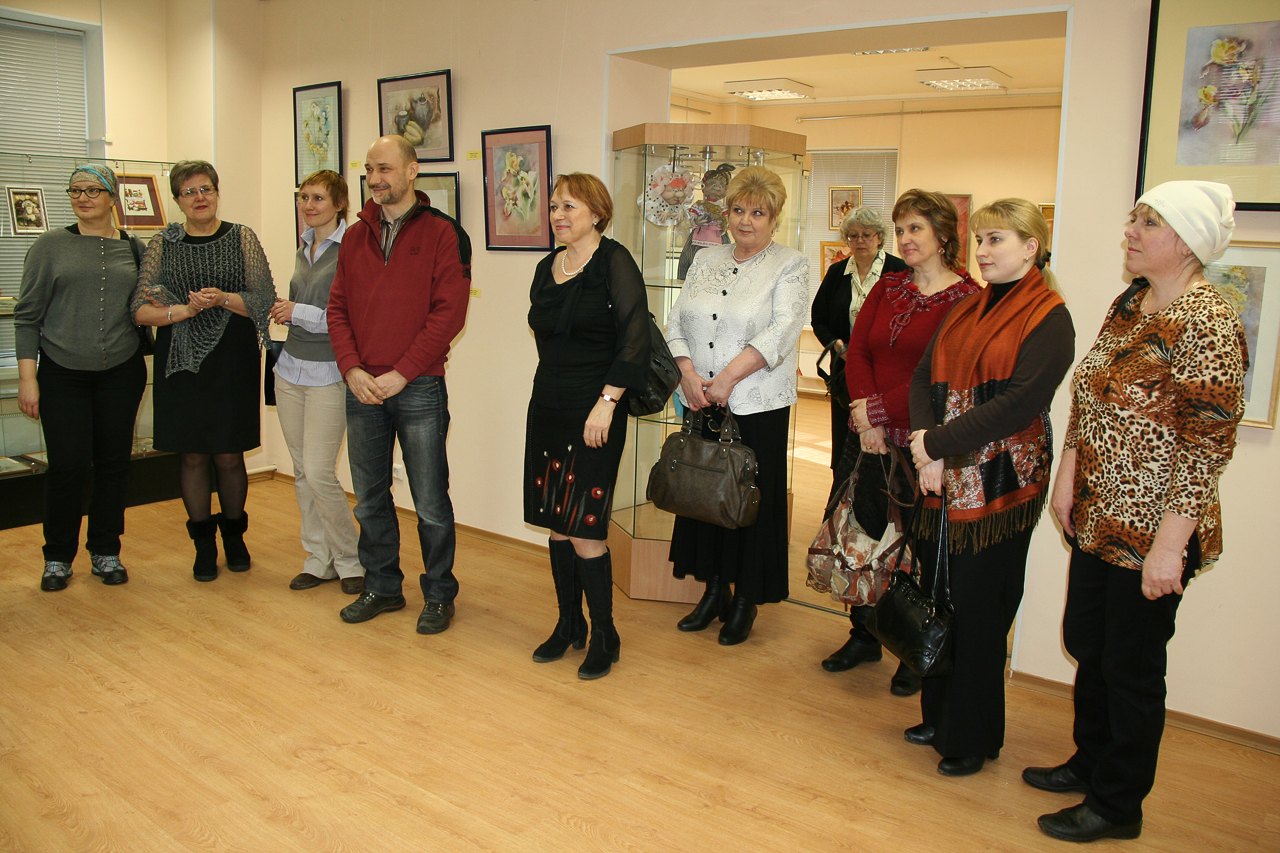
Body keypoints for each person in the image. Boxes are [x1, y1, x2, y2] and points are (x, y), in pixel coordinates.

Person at [1026, 182, 1245, 843]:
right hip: (1099, 516)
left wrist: (1169, 548)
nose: (1131, 230)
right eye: (1135, 218)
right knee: (1089, 645)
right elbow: (1090, 394)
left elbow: (1207, 445)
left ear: (1186, 240)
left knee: (1132, 669)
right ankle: (1090, 760)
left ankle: (1118, 804)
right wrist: (1067, 476)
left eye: (1148, 222)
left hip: (1154, 532)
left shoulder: (1208, 321)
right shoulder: (1131, 302)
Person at [904, 198, 1075, 777]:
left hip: (1002, 487)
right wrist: (925, 442)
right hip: (942, 479)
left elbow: (1018, 405)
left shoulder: (1050, 318)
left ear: (1031, 247)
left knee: (981, 611)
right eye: (979, 240)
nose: (981, 251)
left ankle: (972, 737)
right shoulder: (967, 307)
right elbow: (924, 376)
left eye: (995, 239)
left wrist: (936, 444)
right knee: (940, 598)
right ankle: (938, 716)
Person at [819, 191, 980, 697]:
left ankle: (911, 647)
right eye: (901, 229)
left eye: (916, 229)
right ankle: (863, 634)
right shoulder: (887, 287)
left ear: (944, 235)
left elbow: (942, 376)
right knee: (864, 535)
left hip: (922, 444)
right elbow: (859, 351)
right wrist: (866, 416)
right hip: (867, 437)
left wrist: (879, 412)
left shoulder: (967, 298)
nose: (906, 239)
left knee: (917, 547)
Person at [327, 135, 472, 633]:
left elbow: (449, 314)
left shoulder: (443, 233)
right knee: (369, 497)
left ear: (412, 171)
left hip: (419, 387)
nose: (374, 178)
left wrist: (402, 372)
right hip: (362, 387)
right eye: (369, 169)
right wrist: (352, 369)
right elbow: (337, 308)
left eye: (385, 168)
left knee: (430, 502)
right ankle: (383, 586)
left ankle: (439, 594)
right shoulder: (354, 237)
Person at [665, 165, 808, 646]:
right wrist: (687, 375)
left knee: (748, 500)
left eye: (758, 213)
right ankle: (713, 591)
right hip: (700, 399)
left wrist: (726, 379)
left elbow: (782, 331)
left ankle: (745, 597)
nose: (746, 220)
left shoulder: (790, 264)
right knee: (704, 494)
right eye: (738, 210)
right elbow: (675, 321)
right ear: (726, 213)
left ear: (775, 218)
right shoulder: (705, 258)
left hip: (756, 405)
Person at [524, 173, 649, 679]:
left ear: (596, 213)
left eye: (569, 206)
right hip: (549, 405)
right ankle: (568, 624)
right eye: (554, 206)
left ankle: (605, 633)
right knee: (557, 523)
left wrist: (607, 401)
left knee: (585, 527)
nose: (558, 215)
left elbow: (635, 338)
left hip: (597, 407)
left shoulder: (614, 261)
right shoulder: (546, 267)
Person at [132, 160, 275, 582]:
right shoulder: (163, 243)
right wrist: (184, 310)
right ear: (177, 200)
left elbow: (263, 300)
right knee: (193, 454)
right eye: (189, 191)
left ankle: (234, 537)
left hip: (233, 358)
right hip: (180, 360)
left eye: (206, 189)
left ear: (217, 192)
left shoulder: (241, 237)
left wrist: (223, 298)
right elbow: (139, 309)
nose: (199, 198)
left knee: (229, 454)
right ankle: (203, 545)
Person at [15, 164, 148, 591]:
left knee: (113, 465)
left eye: (93, 190)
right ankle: (57, 557)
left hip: (121, 371)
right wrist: (28, 379)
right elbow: (27, 318)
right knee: (68, 466)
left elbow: (148, 305)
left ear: (112, 197)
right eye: (75, 190)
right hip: (62, 373)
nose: (83, 198)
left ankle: (106, 550)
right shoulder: (49, 246)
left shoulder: (136, 248)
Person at [270, 170, 365, 596]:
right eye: (303, 197)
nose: (308, 205)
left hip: (329, 373)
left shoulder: (353, 249)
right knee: (301, 472)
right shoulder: (303, 246)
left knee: (319, 471)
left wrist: (297, 311)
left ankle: (350, 559)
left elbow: (352, 319)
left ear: (339, 204)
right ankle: (318, 558)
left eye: (318, 198)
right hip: (290, 370)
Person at [810, 206, 908, 470]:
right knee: (845, 438)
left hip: (884, 372)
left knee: (882, 435)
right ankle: (844, 487)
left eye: (867, 235)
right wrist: (837, 345)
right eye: (853, 236)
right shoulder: (837, 273)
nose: (860, 241)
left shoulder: (900, 271)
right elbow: (818, 318)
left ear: (879, 237)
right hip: (846, 371)